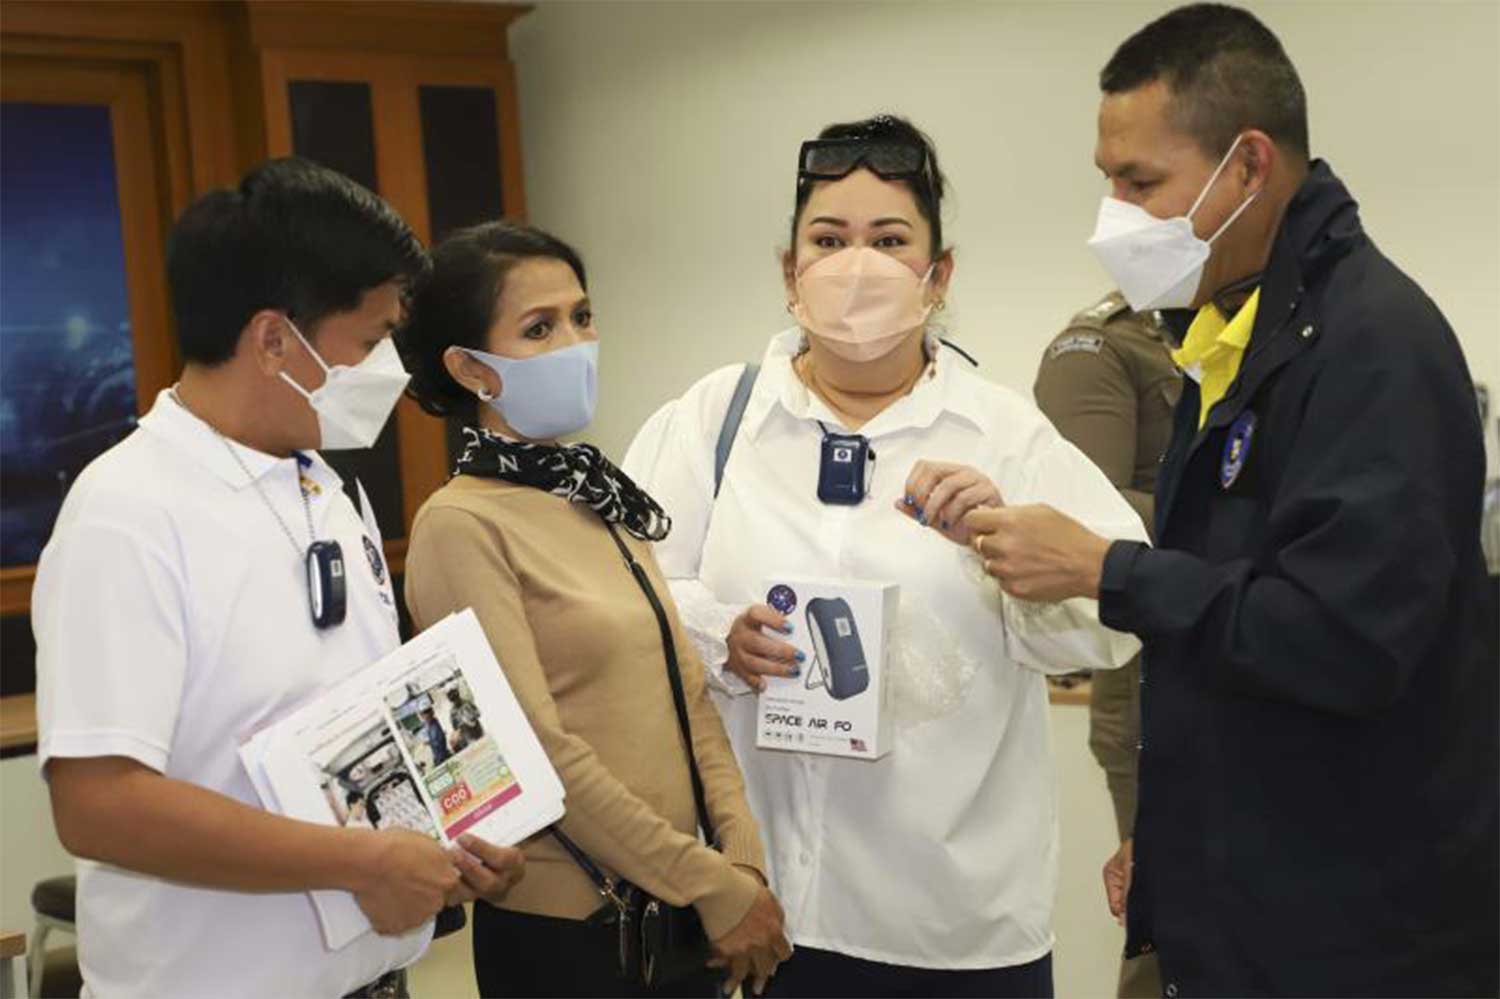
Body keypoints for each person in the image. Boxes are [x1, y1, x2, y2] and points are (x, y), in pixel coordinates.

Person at [971, 6, 1500, 994]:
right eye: (1107, 180)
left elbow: (1337, 640)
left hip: (1360, 936)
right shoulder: (1236, 337)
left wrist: (1104, 569)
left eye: (1141, 182)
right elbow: (1225, 616)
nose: (1115, 217)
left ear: (1249, 167)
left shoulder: (1369, 344)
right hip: (1251, 911)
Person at [623, 115, 1148, 999]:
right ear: (789, 271)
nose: (856, 265)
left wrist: (1012, 553)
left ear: (938, 275)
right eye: (827, 240)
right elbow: (624, 596)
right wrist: (719, 634)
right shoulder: (715, 420)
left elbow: (1114, 624)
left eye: (890, 240)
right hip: (753, 912)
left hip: (948, 927)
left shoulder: (1005, 434)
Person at [31, 157, 525, 999]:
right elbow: (99, 803)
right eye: (369, 341)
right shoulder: (127, 511)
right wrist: (361, 861)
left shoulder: (325, 487)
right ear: (272, 340)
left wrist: (454, 829)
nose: (388, 371)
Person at [396, 221, 791, 999]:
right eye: (539, 328)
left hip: (684, 912)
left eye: (582, 316)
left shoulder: (601, 500)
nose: (575, 342)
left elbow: (691, 698)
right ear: (472, 368)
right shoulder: (461, 523)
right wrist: (710, 881)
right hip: (572, 934)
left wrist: (740, 859)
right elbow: (536, 750)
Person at [1032, 292, 1179, 999]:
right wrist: (1252, 515)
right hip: (1158, 691)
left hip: (1259, 664)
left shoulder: (1251, 326)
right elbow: (1088, 520)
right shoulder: (1097, 348)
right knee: (1173, 932)